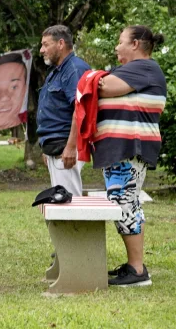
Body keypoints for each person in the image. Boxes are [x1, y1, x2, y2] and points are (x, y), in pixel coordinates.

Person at [94, 25, 166, 287]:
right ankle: (135, 266)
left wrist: (93, 78)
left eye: (120, 41)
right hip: (123, 149)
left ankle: (137, 271)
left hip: (129, 149)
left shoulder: (144, 67)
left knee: (124, 204)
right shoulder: (136, 70)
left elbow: (103, 86)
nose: (116, 46)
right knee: (129, 203)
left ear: (135, 44)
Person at [37, 25, 90, 197]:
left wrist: (71, 147)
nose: (41, 50)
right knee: (62, 204)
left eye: (45, 44)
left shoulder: (74, 69)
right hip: (56, 148)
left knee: (70, 205)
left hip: (65, 148)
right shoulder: (57, 71)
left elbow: (80, 109)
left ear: (60, 43)